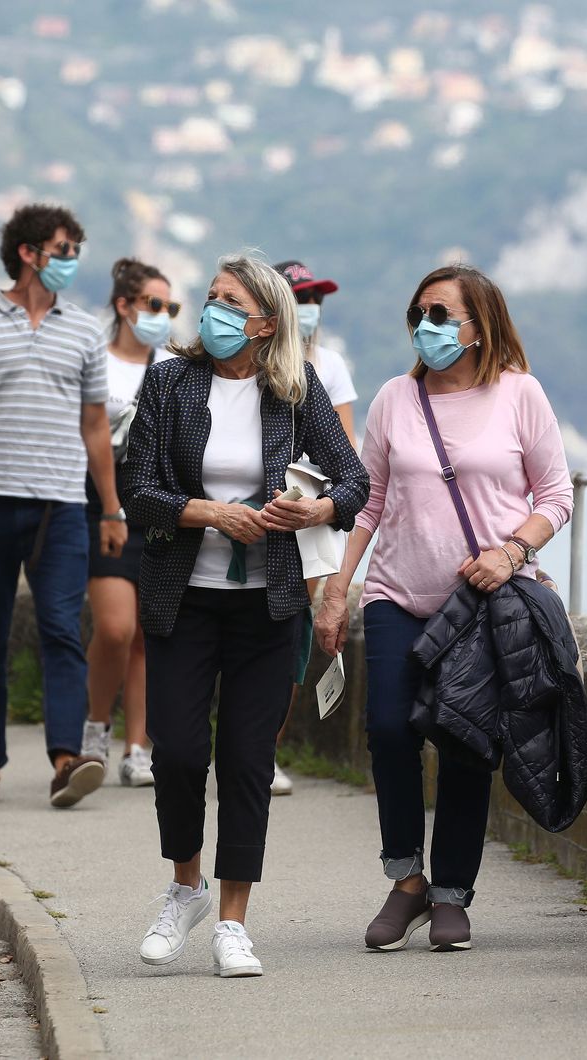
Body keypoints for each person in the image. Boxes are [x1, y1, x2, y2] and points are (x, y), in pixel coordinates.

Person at [315, 263, 574, 953]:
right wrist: (338, 588)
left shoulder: (521, 395)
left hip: (486, 604)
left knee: (466, 743)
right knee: (391, 733)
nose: (426, 328)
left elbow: (556, 496)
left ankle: (453, 893)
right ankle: (406, 881)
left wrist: (511, 553)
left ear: (478, 325)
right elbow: (367, 500)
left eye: (440, 315)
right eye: (419, 315)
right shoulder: (398, 398)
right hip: (400, 595)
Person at [121, 253, 368, 977]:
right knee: (177, 752)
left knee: (247, 762)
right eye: (212, 298)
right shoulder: (169, 379)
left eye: (232, 302)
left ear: (266, 322)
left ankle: (233, 920)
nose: (215, 312)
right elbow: (136, 489)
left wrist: (316, 508)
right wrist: (210, 515)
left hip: (269, 605)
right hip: (183, 598)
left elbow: (354, 479)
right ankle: (184, 888)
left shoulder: (294, 389)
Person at [0, 203, 123, 810]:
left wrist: (112, 508)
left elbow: (96, 427)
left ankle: (66, 759)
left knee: (62, 631)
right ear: (28, 252)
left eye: (74, 251)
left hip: (61, 507)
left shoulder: (85, 330)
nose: (70, 261)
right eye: (62, 250)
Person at [78, 257, 178, 788]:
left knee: (147, 634)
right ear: (124, 305)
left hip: (155, 507)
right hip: (103, 506)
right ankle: (97, 725)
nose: (163, 315)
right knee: (115, 628)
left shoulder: (172, 366)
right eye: (154, 305)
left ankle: (137, 746)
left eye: (170, 307)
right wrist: (110, 507)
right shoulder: (95, 360)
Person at [266, 259, 360, 796]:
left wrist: (323, 501)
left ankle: (267, 748)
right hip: (256, 510)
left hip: (307, 515)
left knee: (292, 630)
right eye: (299, 296)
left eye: (316, 299)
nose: (309, 308)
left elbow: (344, 455)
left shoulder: (331, 365)